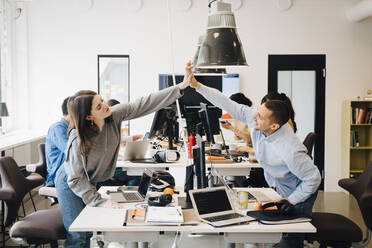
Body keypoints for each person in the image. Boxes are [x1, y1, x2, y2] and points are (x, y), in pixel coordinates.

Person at [186, 62, 320, 248]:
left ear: (274, 126)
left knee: (291, 241)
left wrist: (291, 200)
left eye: (260, 117)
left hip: (299, 194)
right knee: (277, 235)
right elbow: (226, 103)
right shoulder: (255, 118)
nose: (253, 118)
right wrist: (197, 86)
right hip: (279, 187)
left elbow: (313, 179)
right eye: (257, 112)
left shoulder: (290, 149)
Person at [55, 69, 189, 247]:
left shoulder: (114, 115)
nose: (105, 105)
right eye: (98, 106)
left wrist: (180, 87)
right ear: (89, 117)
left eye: (101, 99)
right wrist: (99, 201)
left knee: (88, 230)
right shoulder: (78, 138)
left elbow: (143, 103)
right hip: (70, 181)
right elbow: (75, 178)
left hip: (91, 178)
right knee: (79, 234)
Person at [45, 97, 70, 187]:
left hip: (72, 174)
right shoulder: (57, 128)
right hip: (58, 177)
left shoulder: (71, 128)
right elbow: (71, 151)